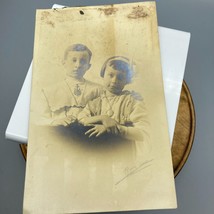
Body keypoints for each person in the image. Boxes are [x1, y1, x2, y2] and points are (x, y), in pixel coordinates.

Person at [78, 56, 149, 143]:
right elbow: (81, 119)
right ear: (103, 74)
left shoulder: (132, 101)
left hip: (123, 149)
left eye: (120, 77)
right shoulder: (95, 103)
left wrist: (113, 128)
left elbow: (143, 133)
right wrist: (103, 118)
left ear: (127, 80)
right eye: (111, 75)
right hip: (98, 147)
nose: (114, 81)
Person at [37, 44, 102, 126]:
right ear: (64, 63)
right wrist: (54, 121)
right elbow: (38, 118)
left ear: (88, 66)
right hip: (58, 134)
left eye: (82, 61)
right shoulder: (49, 91)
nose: (77, 65)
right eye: (74, 60)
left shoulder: (98, 90)